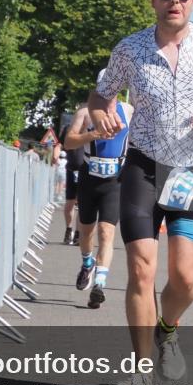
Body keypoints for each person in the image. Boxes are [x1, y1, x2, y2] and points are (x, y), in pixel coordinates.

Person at [88, 0, 193, 385]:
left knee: (185, 278)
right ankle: (139, 368)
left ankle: (168, 330)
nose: (175, 0)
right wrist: (102, 113)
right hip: (144, 166)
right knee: (141, 269)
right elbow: (102, 93)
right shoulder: (130, 49)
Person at [62, 70, 133, 309]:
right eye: (105, 87)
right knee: (87, 232)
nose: (110, 92)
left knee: (106, 232)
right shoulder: (85, 113)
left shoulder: (129, 111)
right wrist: (92, 134)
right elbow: (69, 141)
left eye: (114, 87)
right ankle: (87, 263)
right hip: (89, 178)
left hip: (115, 181)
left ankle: (99, 285)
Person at [57, 115, 86, 245]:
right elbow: (59, 144)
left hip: (86, 170)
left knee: (82, 204)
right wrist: (55, 154)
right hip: (71, 169)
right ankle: (69, 231)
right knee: (70, 203)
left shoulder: (92, 127)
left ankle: (78, 234)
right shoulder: (68, 128)